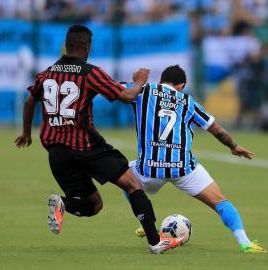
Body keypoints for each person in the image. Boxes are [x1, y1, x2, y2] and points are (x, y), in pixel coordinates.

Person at [14, 25, 182, 254]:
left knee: (94, 205)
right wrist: (139, 81)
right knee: (133, 185)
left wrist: (26, 133)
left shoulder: (47, 73)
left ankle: (64, 203)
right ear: (87, 46)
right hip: (86, 146)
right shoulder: (90, 72)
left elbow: (29, 101)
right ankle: (155, 242)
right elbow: (126, 96)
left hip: (56, 152)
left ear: (66, 45)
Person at [127, 65, 266, 253]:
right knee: (221, 202)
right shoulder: (188, 101)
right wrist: (233, 146)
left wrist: (137, 82)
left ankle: (147, 224)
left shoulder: (145, 91)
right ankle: (245, 242)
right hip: (183, 168)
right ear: (182, 85)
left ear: (161, 81)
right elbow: (216, 129)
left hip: (148, 169)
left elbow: (115, 89)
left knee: (124, 176)